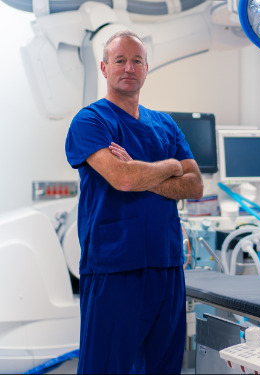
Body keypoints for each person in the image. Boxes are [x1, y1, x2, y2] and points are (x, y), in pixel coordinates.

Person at [65, 30, 203, 374]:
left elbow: (195, 186)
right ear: (103, 67)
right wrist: (170, 168)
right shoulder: (91, 121)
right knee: (107, 367)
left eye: (137, 60)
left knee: (165, 365)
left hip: (166, 264)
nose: (129, 67)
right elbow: (122, 179)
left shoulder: (165, 124)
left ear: (146, 68)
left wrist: (146, 174)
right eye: (120, 60)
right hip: (114, 265)